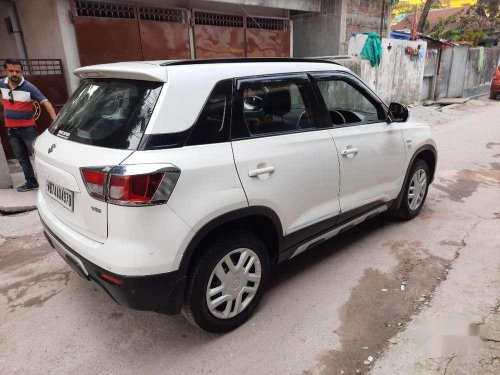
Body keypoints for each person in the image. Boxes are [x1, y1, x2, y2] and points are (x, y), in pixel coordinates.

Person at [0, 58, 56, 192]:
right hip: (11, 130)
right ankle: (31, 182)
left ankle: (50, 183)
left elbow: (46, 102)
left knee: (37, 156)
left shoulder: (29, 87)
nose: (14, 73)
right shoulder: (2, 84)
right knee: (22, 159)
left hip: (28, 130)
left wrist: (54, 120)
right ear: (5, 71)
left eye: (17, 71)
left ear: (21, 72)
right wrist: (5, 106)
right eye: (11, 70)